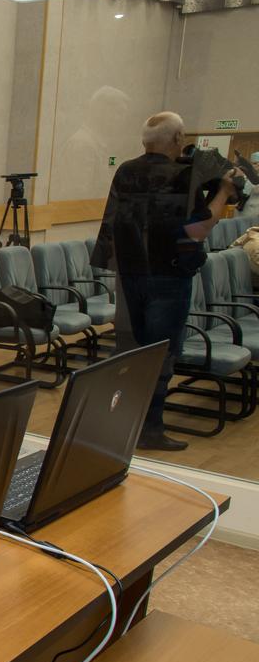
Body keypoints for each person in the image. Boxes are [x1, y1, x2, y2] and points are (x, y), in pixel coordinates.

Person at [92, 111, 239, 451]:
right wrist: (224, 192)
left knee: (128, 352)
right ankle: (150, 429)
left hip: (128, 274)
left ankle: (119, 425)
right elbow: (199, 228)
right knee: (160, 354)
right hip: (167, 277)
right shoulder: (183, 176)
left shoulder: (126, 170)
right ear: (177, 139)